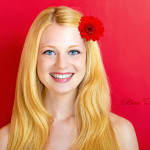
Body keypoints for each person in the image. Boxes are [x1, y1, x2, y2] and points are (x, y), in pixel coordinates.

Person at [0, 6, 139, 150]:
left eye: (73, 51)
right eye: (49, 52)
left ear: (88, 58)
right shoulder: (5, 140)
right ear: (34, 59)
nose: (61, 65)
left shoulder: (121, 132)